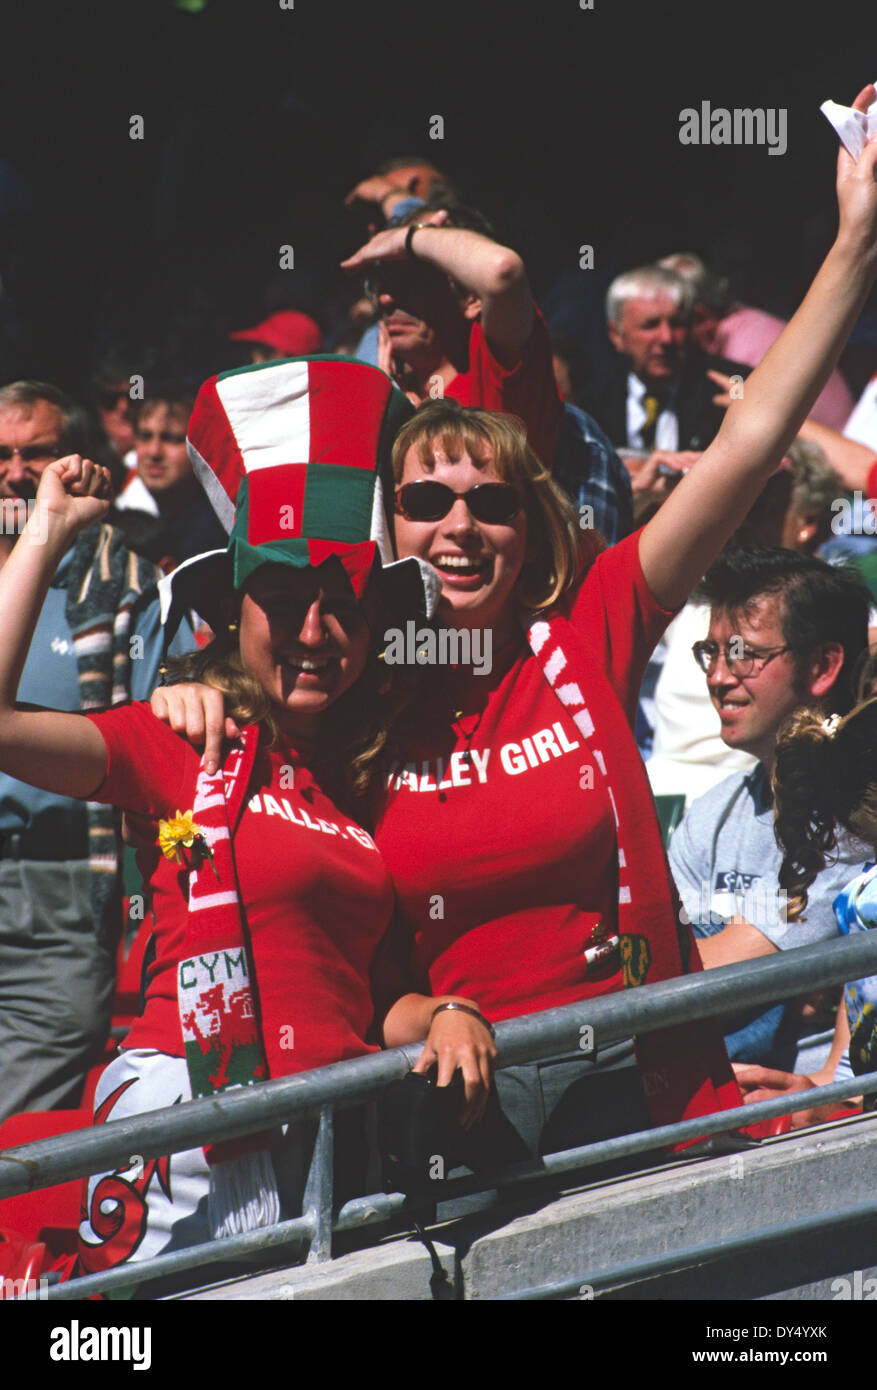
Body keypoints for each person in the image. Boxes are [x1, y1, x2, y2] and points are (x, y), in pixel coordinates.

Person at [160, 85, 877, 1164]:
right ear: (382, 530)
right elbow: (366, 978)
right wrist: (200, 692)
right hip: (463, 1129)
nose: (460, 526)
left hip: (640, 1087)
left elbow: (747, 444)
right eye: (426, 501)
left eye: (490, 502)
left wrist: (857, 237)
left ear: (528, 522)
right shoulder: (354, 686)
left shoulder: (587, 620)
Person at [0, 358, 500, 1283]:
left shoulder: (362, 787)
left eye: (341, 605)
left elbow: (361, 999)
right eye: (281, 599)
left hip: (317, 1148)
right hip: (180, 1140)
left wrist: (445, 1011)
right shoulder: (186, 741)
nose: (313, 631)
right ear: (231, 616)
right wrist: (47, 531)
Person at [0, 380, 186, 1124]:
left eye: (36, 454)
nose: (15, 472)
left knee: (13, 1127)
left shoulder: (128, 591)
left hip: (64, 889)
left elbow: (159, 748)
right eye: (1, 455)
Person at [666, 548, 871, 1068]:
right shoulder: (713, 815)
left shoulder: (853, 814)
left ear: (823, 666)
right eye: (709, 653)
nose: (717, 676)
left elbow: (694, 984)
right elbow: (664, 964)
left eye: (744, 655)